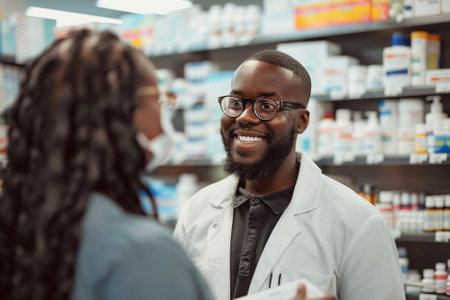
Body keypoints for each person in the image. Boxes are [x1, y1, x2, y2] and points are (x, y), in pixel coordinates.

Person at [173, 50, 405, 300]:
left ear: (302, 121)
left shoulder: (357, 222)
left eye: (266, 106)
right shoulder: (196, 211)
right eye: (236, 103)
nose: (244, 117)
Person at [0, 29, 213, 300]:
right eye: (158, 98)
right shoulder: (141, 252)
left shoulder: (21, 223)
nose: (163, 112)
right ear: (123, 109)